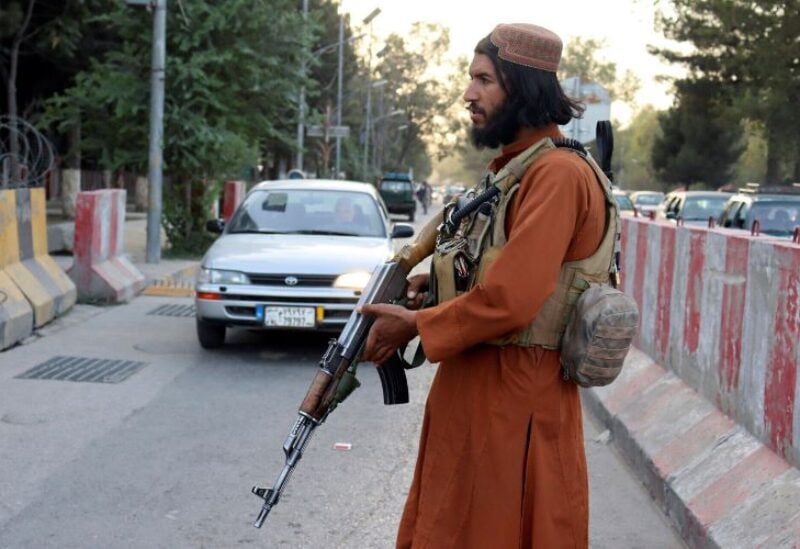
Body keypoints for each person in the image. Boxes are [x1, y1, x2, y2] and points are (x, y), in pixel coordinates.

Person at [360, 23, 612, 548]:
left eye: (484, 80)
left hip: (514, 401)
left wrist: (415, 325)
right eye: (471, 79)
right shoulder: (515, 173)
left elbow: (512, 298)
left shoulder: (558, 176)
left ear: (521, 87)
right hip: (479, 394)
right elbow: (491, 269)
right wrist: (431, 291)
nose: (468, 94)